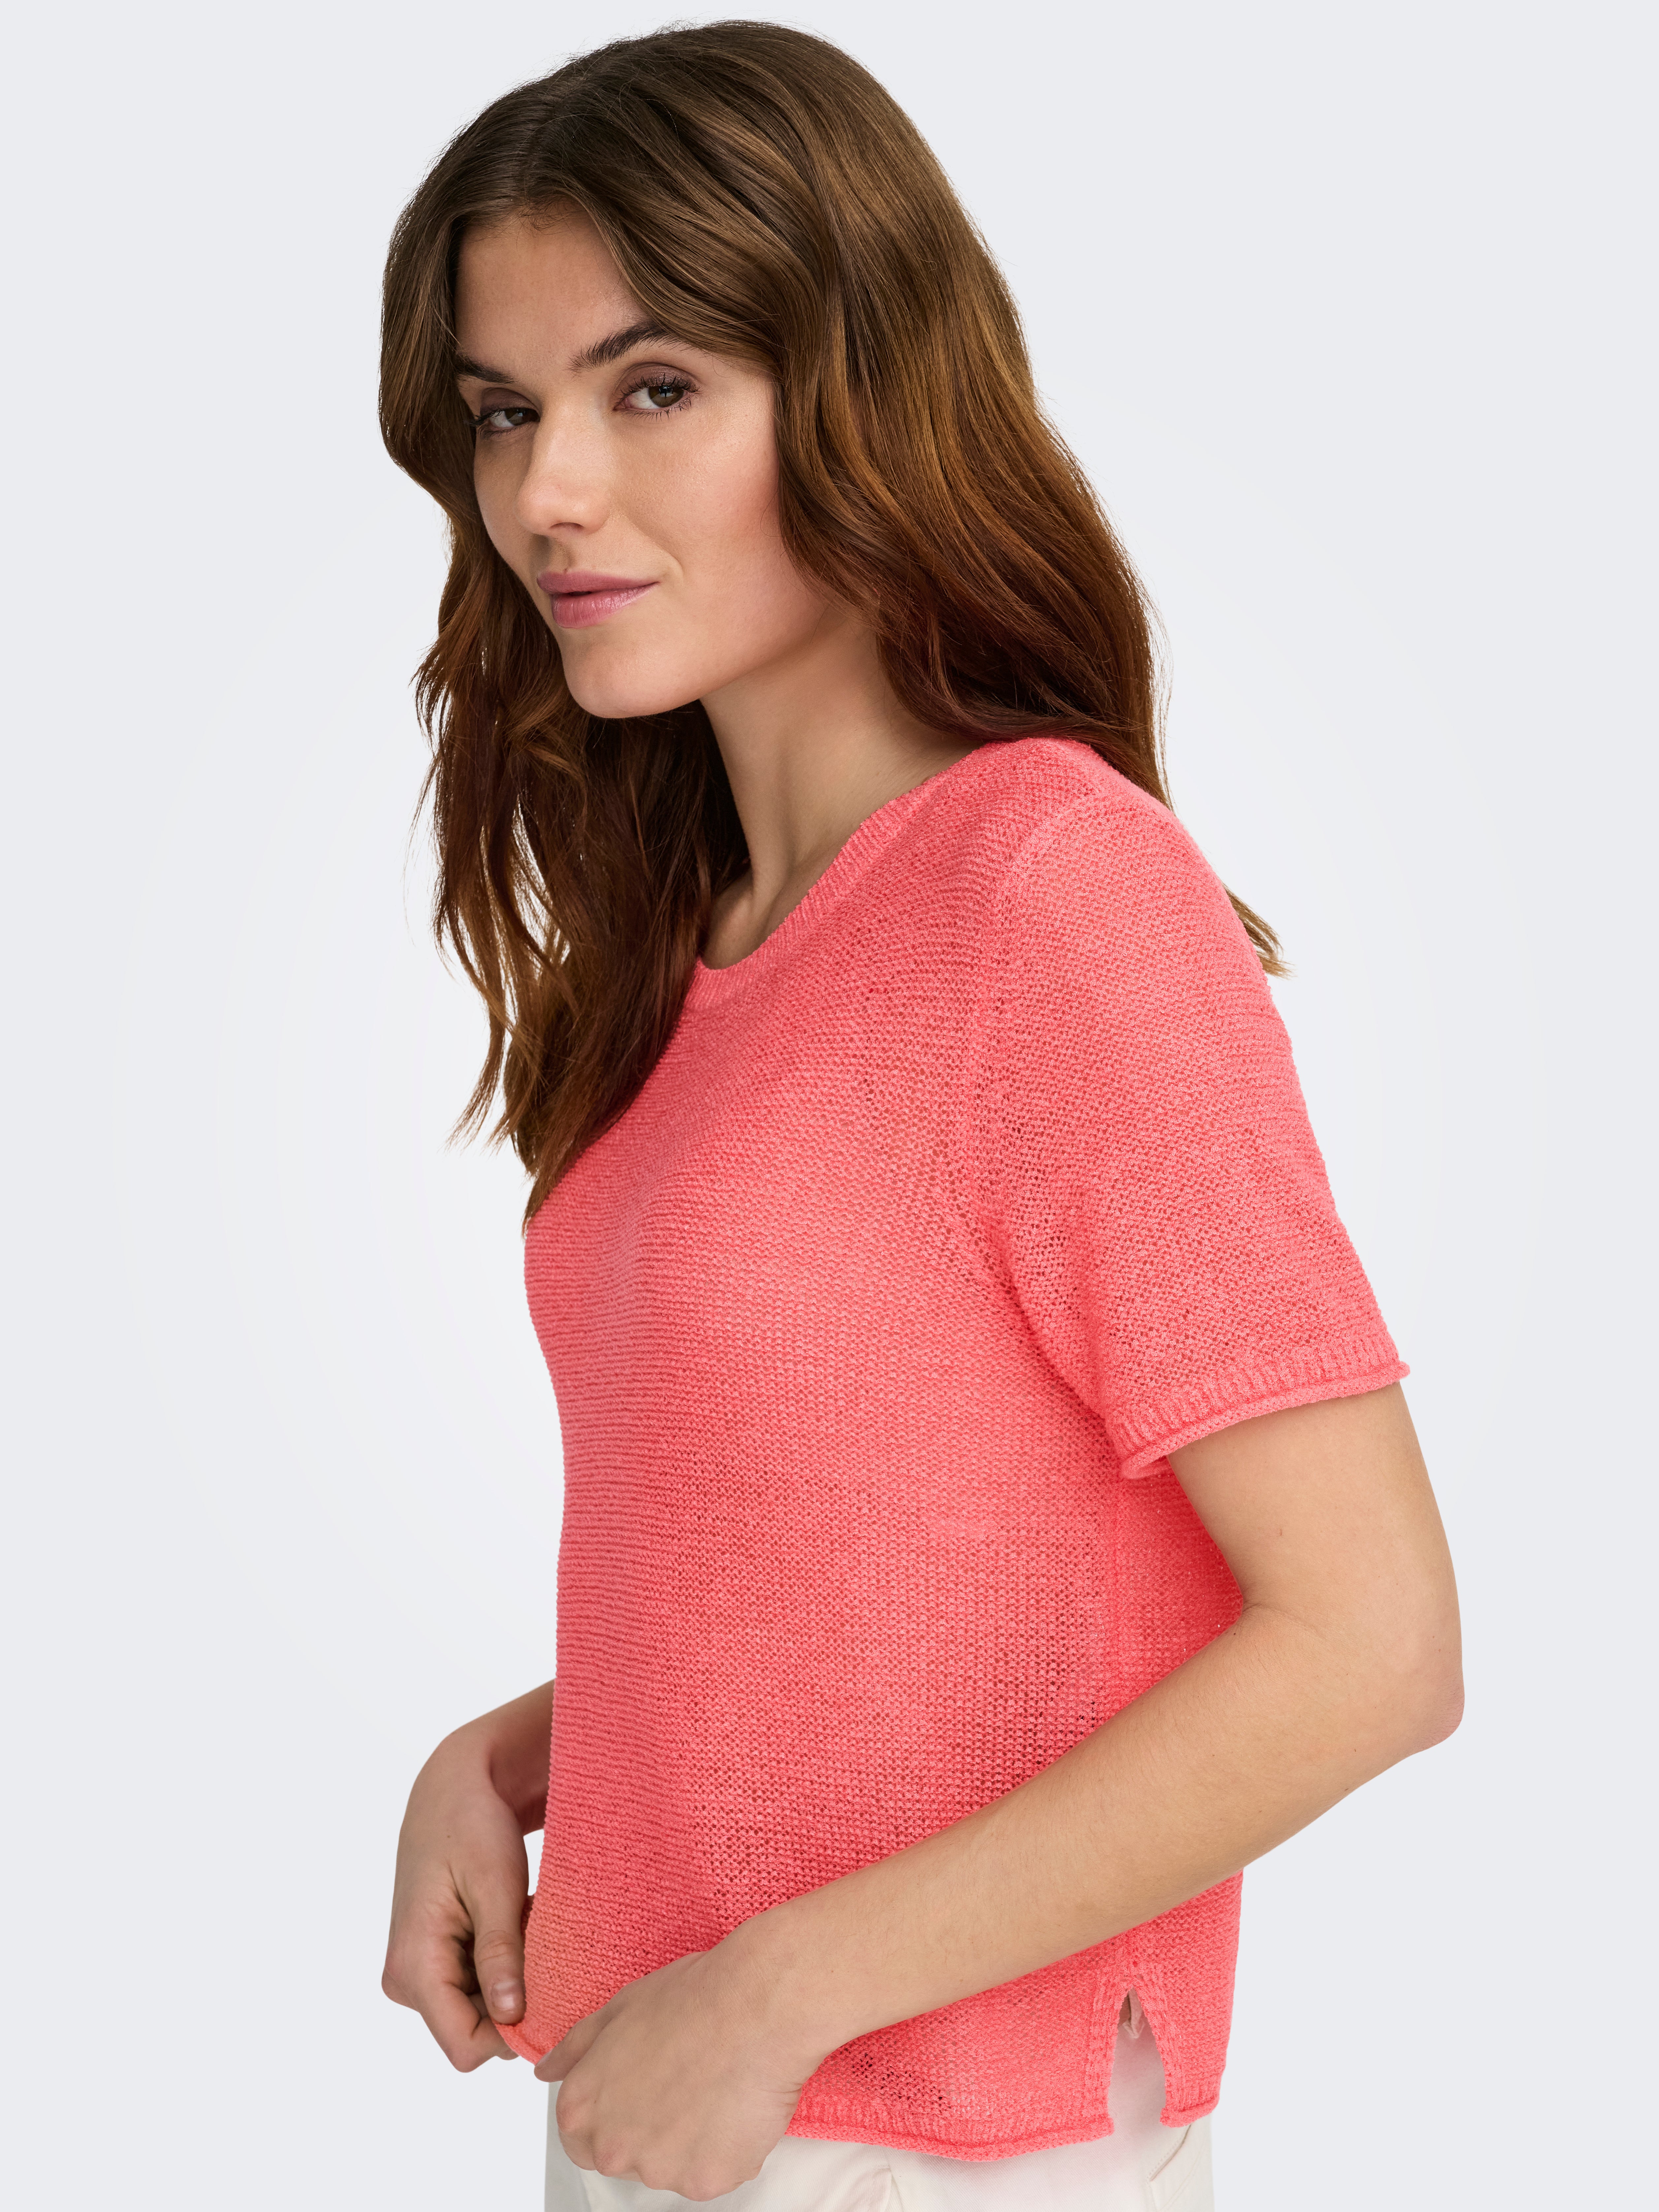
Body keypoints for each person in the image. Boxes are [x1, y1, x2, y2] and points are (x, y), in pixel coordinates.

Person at [377, 22, 1462, 2210]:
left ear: (863, 389)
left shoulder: (1047, 892)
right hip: (673, 2095)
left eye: (650, 388)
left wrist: (778, 1994)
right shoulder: (702, 947)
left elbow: (1369, 1643)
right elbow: (871, 1579)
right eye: (504, 410)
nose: (549, 491)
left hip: (949, 2144)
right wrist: (503, 1758)